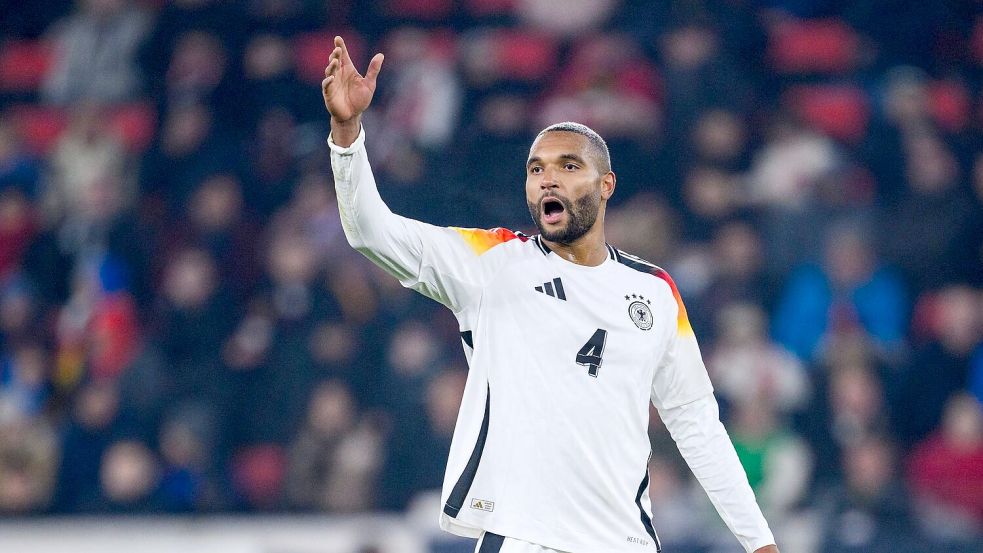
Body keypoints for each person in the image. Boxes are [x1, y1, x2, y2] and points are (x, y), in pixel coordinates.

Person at [322, 36, 779, 553]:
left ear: (606, 184)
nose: (547, 180)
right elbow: (369, 231)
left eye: (568, 166)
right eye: (536, 169)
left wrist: (758, 541)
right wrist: (347, 135)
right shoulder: (492, 263)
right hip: (524, 539)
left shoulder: (654, 293)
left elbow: (697, 426)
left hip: (623, 543)